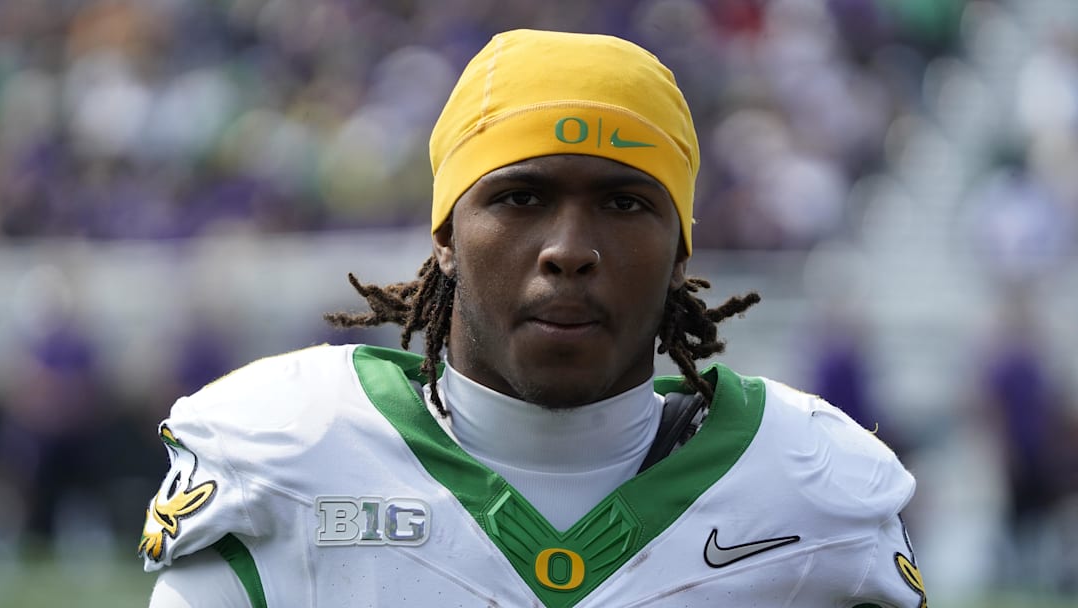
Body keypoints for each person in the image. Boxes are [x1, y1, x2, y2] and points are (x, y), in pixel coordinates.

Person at [139, 29, 927, 607]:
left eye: (625, 203)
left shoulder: (811, 496)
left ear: (681, 252)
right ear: (446, 235)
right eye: (521, 197)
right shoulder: (285, 457)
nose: (569, 250)